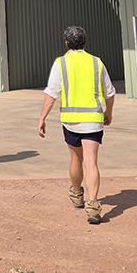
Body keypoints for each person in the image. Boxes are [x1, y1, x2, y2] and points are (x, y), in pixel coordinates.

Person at [37, 25, 115, 224]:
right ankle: (93, 207)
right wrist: (109, 113)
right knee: (91, 162)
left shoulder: (61, 63)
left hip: (71, 121)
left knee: (75, 160)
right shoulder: (97, 63)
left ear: (66, 43)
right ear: (85, 41)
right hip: (93, 122)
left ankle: (77, 194)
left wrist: (42, 118)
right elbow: (110, 92)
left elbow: (51, 94)